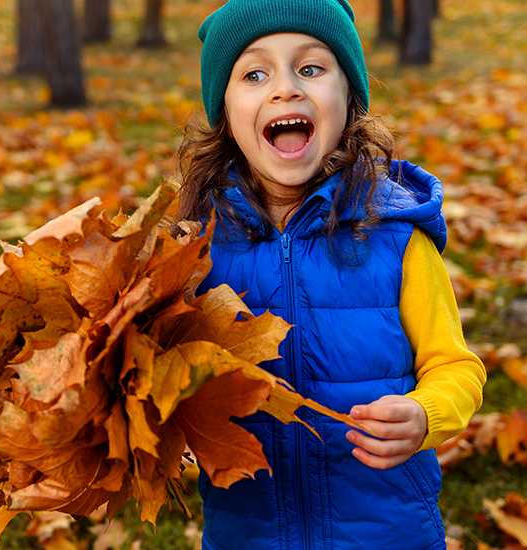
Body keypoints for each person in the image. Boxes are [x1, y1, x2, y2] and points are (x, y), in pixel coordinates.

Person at [174, 0, 488, 548]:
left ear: (350, 100)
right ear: (224, 111)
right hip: (247, 532)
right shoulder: (194, 250)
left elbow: (456, 366)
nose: (285, 89)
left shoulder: (397, 237)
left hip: (386, 531)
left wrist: (424, 413)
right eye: (254, 73)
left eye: (312, 68)